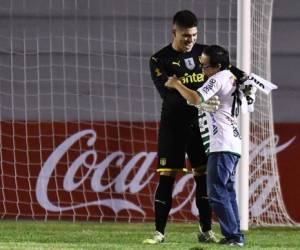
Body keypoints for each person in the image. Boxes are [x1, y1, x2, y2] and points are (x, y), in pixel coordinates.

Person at [143, 10, 246, 244]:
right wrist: (200, 100)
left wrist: (244, 81)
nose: (190, 40)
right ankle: (159, 232)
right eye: (185, 35)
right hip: (173, 124)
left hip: (202, 126)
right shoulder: (159, 59)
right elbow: (167, 93)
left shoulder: (205, 54)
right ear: (174, 32)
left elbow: (231, 72)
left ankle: (206, 230)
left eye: (194, 35)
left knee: (204, 177)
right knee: (166, 177)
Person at [165, 45, 245, 246]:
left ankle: (234, 237)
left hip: (222, 144)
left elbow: (195, 97)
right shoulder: (231, 77)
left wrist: (176, 84)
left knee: (216, 191)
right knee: (226, 191)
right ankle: (235, 235)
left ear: (217, 66)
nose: (202, 70)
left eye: (205, 66)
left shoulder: (218, 78)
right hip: (232, 143)